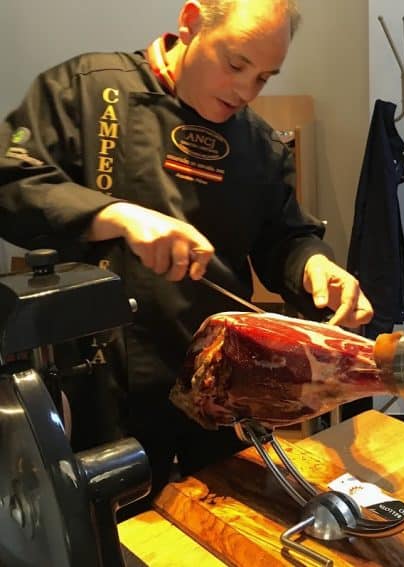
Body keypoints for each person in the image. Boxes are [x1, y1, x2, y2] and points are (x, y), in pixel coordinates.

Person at [0, 0, 373, 512]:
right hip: (103, 381)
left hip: (221, 380)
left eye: (263, 77)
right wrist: (117, 216)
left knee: (228, 518)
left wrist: (314, 264)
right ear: (191, 21)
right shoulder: (87, 89)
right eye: (236, 63)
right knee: (118, 530)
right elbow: (12, 178)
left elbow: (284, 237)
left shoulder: (260, 146)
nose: (246, 90)